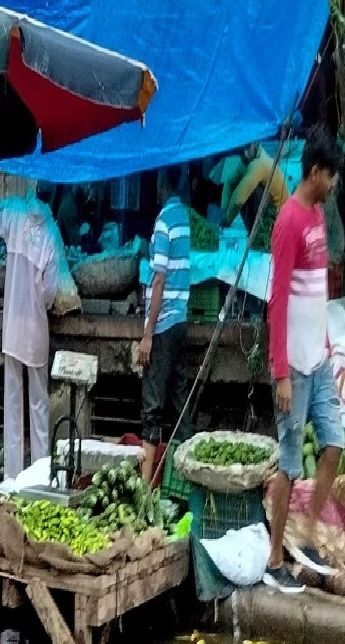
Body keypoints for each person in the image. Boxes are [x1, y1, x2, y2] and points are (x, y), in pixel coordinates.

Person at [264, 127, 344, 593]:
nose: (333, 184)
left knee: (334, 441)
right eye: (330, 176)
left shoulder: (316, 215)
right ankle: (276, 556)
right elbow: (278, 304)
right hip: (293, 365)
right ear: (314, 172)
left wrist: (328, 346)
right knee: (291, 464)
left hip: (320, 358)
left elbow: (317, 292)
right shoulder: (289, 222)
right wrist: (280, 374)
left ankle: (307, 532)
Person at [0, 191, 60, 480]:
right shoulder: (51, 234)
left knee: (12, 401)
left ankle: (12, 474)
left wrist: (12, 201)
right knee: (38, 403)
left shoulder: (14, 217)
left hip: (12, 327)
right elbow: (50, 292)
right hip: (35, 328)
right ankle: (41, 470)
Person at [137, 166, 193, 485]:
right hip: (180, 323)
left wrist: (147, 335)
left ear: (161, 183)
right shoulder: (183, 218)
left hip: (163, 324)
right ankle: (188, 486)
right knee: (178, 404)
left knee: (153, 406)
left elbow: (158, 280)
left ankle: (146, 489)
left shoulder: (163, 222)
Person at [221, 142, 288, 228]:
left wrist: (227, 220)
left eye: (248, 148)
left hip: (278, 218)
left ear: (255, 144)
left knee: (245, 188)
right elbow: (229, 183)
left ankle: (255, 228)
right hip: (266, 214)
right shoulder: (245, 161)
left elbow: (238, 200)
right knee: (241, 183)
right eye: (241, 151)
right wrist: (223, 211)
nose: (245, 154)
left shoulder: (260, 164)